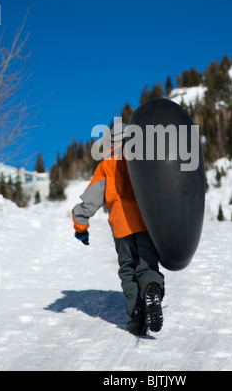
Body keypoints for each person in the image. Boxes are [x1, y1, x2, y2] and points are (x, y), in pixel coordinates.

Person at [72, 125, 165, 336]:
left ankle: (137, 314)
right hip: (146, 221)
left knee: (128, 270)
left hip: (121, 227)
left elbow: (89, 202)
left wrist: (81, 228)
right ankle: (151, 287)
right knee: (146, 264)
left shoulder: (105, 165)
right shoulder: (143, 158)